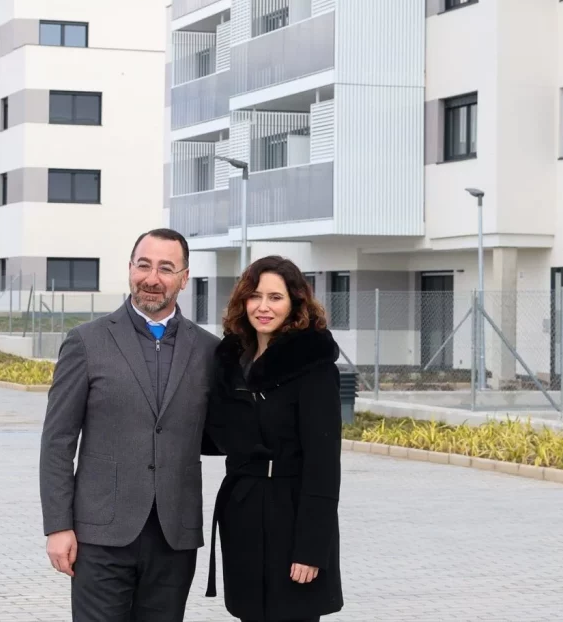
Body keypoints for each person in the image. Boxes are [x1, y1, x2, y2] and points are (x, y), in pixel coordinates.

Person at [39, 228, 219, 622]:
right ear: (130, 269)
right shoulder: (86, 342)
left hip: (175, 536)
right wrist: (58, 526)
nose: (152, 278)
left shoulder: (209, 351)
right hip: (100, 536)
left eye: (166, 268)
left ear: (184, 278)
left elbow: (221, 431)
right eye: (144, 265)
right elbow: (58, 440)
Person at [205, 255, 344, 622]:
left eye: (275, 297)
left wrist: (312, 548)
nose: (263, 307)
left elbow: (324, 463)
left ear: (296, 303)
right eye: (255, 296)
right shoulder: (233, 360)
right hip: (244, 509)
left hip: (293, 514)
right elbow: (216, 434)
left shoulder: (312, 367)